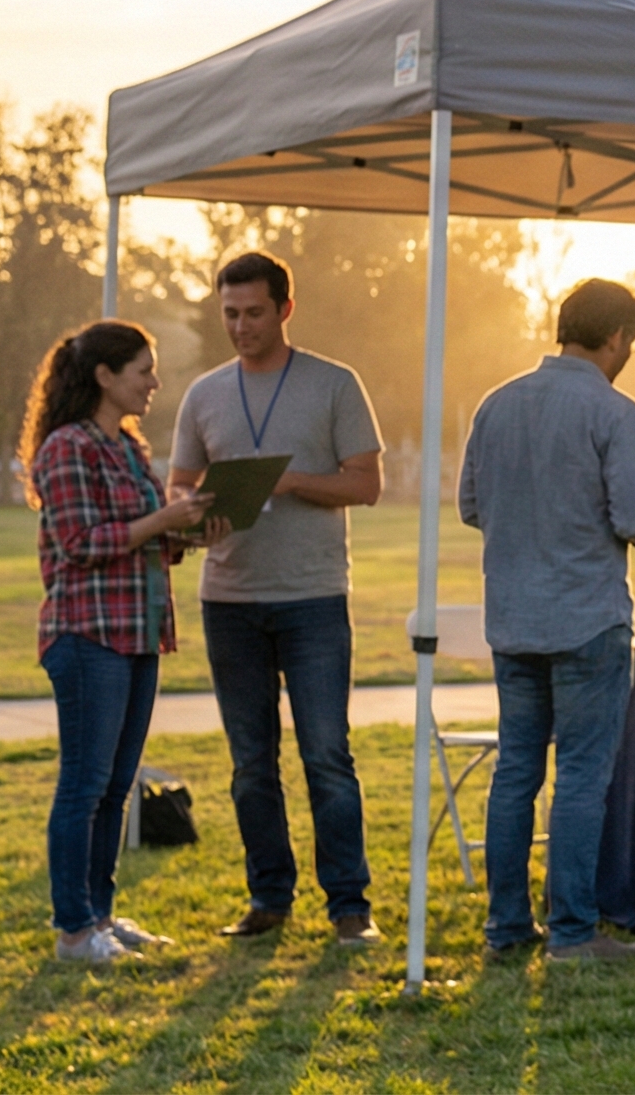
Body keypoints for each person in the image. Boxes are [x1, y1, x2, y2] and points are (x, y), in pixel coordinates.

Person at [167, 251, 387, 946]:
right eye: (229, 313)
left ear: (285, 309)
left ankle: (350, 906)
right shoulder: (204, 394)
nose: (240, 326)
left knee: (326, 755)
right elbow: (177, 488)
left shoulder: (334, 384)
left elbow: (365, 486)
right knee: (250, 764)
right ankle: (268, 898)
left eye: (254, 313)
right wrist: (193, 510)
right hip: (228, 598)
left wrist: (289, 482)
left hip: (313, 598)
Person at [460, 278, 635, 962]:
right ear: (615, 337)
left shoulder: (495, 404)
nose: (629, 353)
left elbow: (469, 505)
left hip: (514, 618)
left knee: (515, 771)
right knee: (581, 775)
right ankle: (574, 932)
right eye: (631, 341)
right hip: (587, 618)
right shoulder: (614, 411)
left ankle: (506, 928)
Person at [24, 321, 216, 965]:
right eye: (143, 370)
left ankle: (100, 915)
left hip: (137, 633)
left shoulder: (129, 446)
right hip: (87, 636)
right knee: (84, 785)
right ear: (105, 376)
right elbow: (81, 545)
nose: (154, 383)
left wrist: (187, 531)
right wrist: (161, 519)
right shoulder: (65, 448)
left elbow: (144, 539)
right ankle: (73, 930)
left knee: (117, 785)